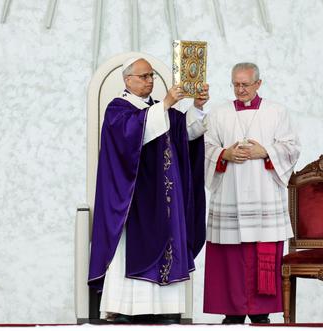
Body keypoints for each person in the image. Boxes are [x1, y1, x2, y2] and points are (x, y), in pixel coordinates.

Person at [88, 57, 209, 324]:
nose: (150, 81)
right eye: (144, 76)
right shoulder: (117, 109)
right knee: (131, 249)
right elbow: (130, 134)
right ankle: (126, 308)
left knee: (166, 244)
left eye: (151, 76)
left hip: (163, 198)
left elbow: (186, 132)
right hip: (134, 198)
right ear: (127, 80)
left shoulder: (157, 108)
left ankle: (163, 308)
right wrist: (165, 104)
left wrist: (197, 107)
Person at [203, 62, 301, 324]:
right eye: (236, 84)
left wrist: (266, 152)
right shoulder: (218, 113)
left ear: (259, 83)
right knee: (231, 257)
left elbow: (292, 147)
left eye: (246, 84)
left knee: (261, 254)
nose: (240, 89)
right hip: (229, 194)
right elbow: (206, 147)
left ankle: (261, 313)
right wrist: (225, 154)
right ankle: (231, 312)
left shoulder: (276, 112)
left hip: (264, 193)